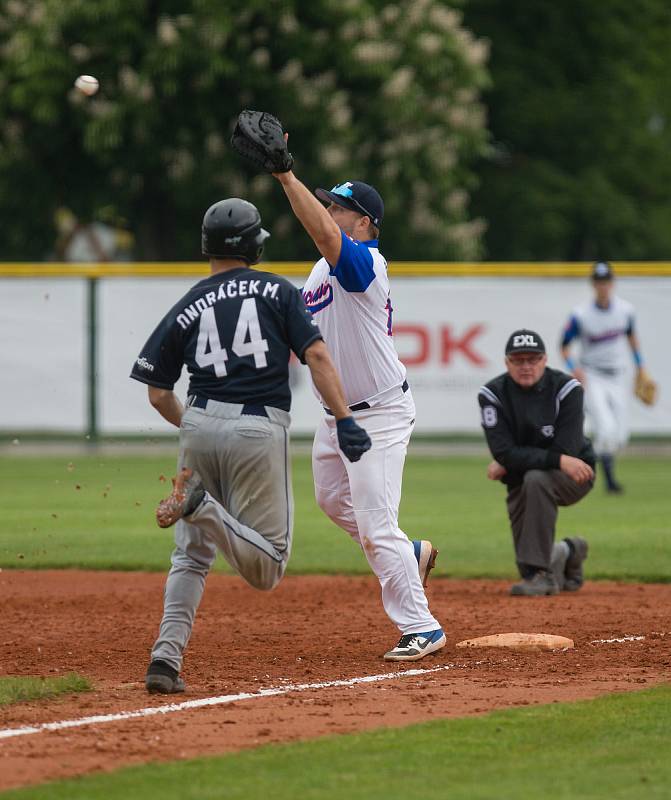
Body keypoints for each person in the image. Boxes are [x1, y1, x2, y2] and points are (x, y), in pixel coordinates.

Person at [130, 198, 371, 693]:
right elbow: (317, 354)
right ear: (253, 245)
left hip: (197, 423)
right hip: (257, 429)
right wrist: (344, 418)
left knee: (190, 559)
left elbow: (157, 392)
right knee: (268, 567)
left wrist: (194, 427)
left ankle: (164, 661)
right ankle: (205, 509)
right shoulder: (277, 291)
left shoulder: (189, 302)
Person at [272, 165, 445, 662]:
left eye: (339, 207)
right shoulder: (321, 269)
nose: (329, 212)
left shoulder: (365, 263)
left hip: (379, 415)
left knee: (374, 524)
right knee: (331, 501)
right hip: (337, 415)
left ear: (365, 222)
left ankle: (422, 626)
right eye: (328, 204)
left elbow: (325, 235)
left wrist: (286, 176)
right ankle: (408, 554)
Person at [478, 329, 594, 597]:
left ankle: (543, 576)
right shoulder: (492, 394)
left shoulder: (567, 389)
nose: (526, 366)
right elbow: (502, 452)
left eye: (533, 359)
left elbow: (567, 449)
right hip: (524, 474)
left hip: (577, 472)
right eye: (518, 360)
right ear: (507, 363)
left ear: (545, 360)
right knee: (525, 567)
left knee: (536, 479)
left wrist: (513, 459)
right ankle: (568, 552)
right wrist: (511, 459)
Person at [560, 261, 646, 494]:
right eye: (599, 282)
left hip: (618, 375)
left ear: (612, 283)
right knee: (605, 428)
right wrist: (573, 367)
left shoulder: (625, 310)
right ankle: (605, 479)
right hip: (592, 375)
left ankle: (595, 464)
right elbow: (564, 345)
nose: (603, 286)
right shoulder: (581, 314)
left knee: (620, 436)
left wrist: (641, 368)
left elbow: (632, 338)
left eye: (606, 281)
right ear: (593, 285)